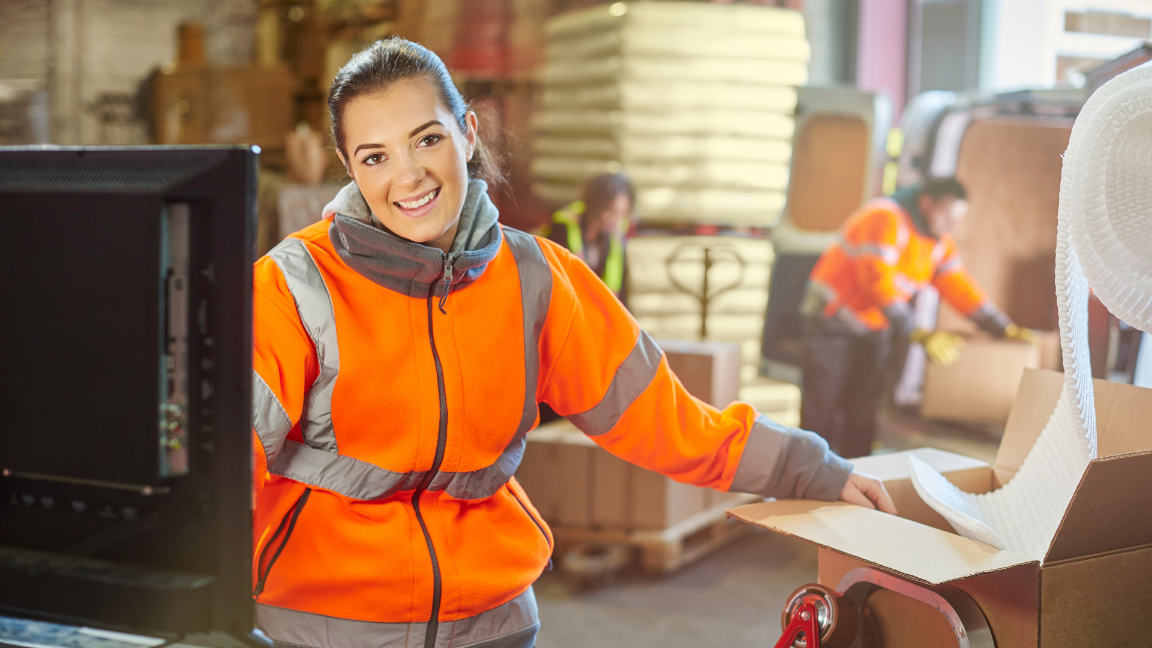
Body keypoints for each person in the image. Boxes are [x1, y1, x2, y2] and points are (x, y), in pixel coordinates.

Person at [250, 37, 895, 648]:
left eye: (427, 139)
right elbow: (226, 469)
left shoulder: (538, 279)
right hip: (326, 624)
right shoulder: (294, 284)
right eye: (375, 156)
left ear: (467, 133)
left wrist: (810, 469)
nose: (409, 175)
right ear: (350, 168)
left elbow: (664, 419)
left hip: (491, 622)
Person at [800, 178, 1033, 459]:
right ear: (926, 203)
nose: (950, 226)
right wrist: (917, 332)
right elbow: (876, 284)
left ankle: (854, 478)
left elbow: (959, 287)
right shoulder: (884, 218)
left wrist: (1000, 326)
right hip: (832, 323)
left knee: (863, 410)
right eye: (946, 216)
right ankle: (805, 482)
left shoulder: (938, 243)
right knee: (821, 409)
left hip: (874, 327)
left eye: (956, 219)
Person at [542, 173, 633, 302]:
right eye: (610, 211)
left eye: (621, 213)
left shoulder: (615, 238)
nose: (616, 219)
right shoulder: (562, 228)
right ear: (594, 204)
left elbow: (622, 291)